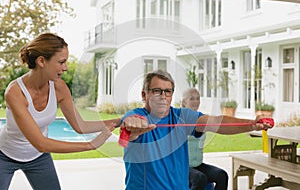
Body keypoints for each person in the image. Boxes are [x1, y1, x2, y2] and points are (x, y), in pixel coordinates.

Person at [0, 33, 118, 189]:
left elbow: (80, 126)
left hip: (38, 158)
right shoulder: (15, 92)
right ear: (41, 61)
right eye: (61, 62)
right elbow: (40, 143)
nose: (66, 68)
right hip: (5, 156)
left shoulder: (59, 88)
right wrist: (89, 146)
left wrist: (121, 122)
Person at [120, 69, 273, 190]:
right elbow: (130, 130)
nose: (163, 96)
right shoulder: (136, 116)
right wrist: (132, 128)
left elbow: (217, 122)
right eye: (156, 91)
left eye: (168, 91)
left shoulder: (182, 116)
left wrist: (252, 124)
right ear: (144, 94)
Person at [182, 88, 228, 190]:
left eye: (198, 98)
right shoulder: (179, 119)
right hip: (182, 167)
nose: (196, 101)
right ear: (184, 102)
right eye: (192, 99)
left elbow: (220, 124)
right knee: (200, 178)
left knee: (222, 175)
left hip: (198, 165)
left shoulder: (202, 119)